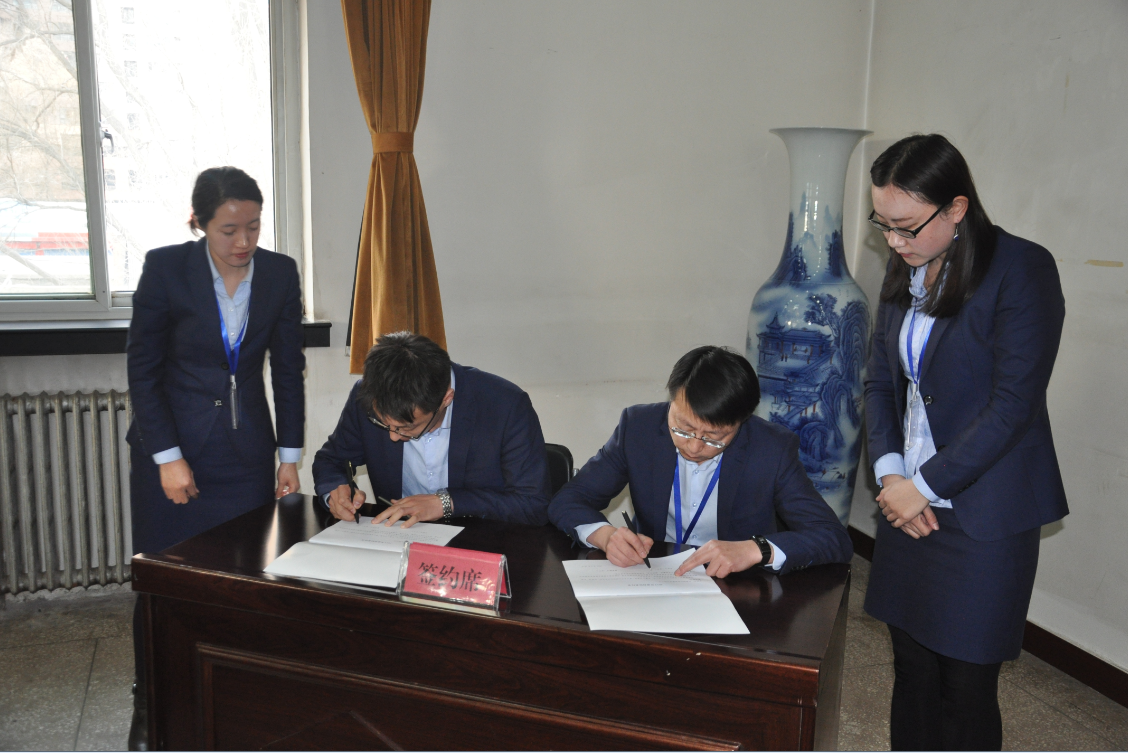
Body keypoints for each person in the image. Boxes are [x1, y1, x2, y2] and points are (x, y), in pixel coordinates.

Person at [862, 133, 1068, 751]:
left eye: (905, 226)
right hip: (906, 502)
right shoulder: (906, 265)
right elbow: (880, 381)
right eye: (882, 224)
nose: (893, 242)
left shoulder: (1021, 268)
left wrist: (923, 487)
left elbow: (1013, 406)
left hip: (983, 512)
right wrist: (892, 476)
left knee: (966, 687)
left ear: (956, 208)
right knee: (912, 671)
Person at [125, 166, 305, 749]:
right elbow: (143, 370)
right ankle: (151, 699)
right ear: (198, 223)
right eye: (229, 230)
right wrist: (167, 455)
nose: (243, 242)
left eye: (253, 226)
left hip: (245, 453)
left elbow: (289, 369)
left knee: (243, 582)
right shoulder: (165, 269)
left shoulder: (279, 273)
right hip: (171, 455)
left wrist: (289, 454)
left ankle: (232, 696)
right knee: (165, 582)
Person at [548, 346, 852, 576]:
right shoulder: (638, 427)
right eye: (683, 428)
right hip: (652, 573)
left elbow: (832, 537)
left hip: (735, 583)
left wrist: (757, 549)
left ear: (742, 421)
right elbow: (569, 499)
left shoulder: (771, 448)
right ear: (671, 400)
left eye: (714, 437)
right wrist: (605, 536)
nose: (694, 446)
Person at [313, 332, 551, 527]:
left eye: (406, 427)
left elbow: (532, 504)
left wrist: (446, 503)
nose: (393, 436)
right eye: (384, 424)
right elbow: (331, 460)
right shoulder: (367, 395)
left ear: (446, 399)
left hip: (482, 541)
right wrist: (335, 491)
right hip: (399, 536)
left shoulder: (505, 406)